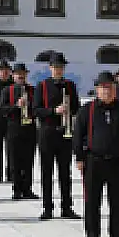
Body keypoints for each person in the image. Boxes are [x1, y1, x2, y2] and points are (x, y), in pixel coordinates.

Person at [73, 71, 119, 237]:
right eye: (103, 88)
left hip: (118, 160)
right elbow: (78, 135)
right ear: (97, 90)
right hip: (93, 161)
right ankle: (92, 235)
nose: (107, 91)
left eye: (110, 88)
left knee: (117, 201)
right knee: (92, 201)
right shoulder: (87, 110)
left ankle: (116, 235)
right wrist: (79, 157)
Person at [35, 52, 81, 220]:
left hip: (65, 133)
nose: (58, 70)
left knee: (65, 172)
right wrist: (54, 111)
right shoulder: (42, 85)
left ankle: (66, 207)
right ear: (50, 68)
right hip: (47, 132)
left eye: (61, 67)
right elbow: (36, 110)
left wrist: (70, 110)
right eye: (55, 67)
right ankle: (47, 207)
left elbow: (77, 107)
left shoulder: (70, 85)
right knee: (46, 172)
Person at [0, 63, 39, 201]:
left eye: (23, 73)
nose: (20, 76)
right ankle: (16, 189)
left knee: (28, 160)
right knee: (14, 160)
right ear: (13, 75)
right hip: (14, 127)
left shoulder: (33, 90)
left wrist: (31, 106)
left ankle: (27, 188)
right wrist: (16, 105)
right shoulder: (7, 91)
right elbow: (2, 109)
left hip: (30, 127)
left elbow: (39, 108)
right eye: (17, 74)